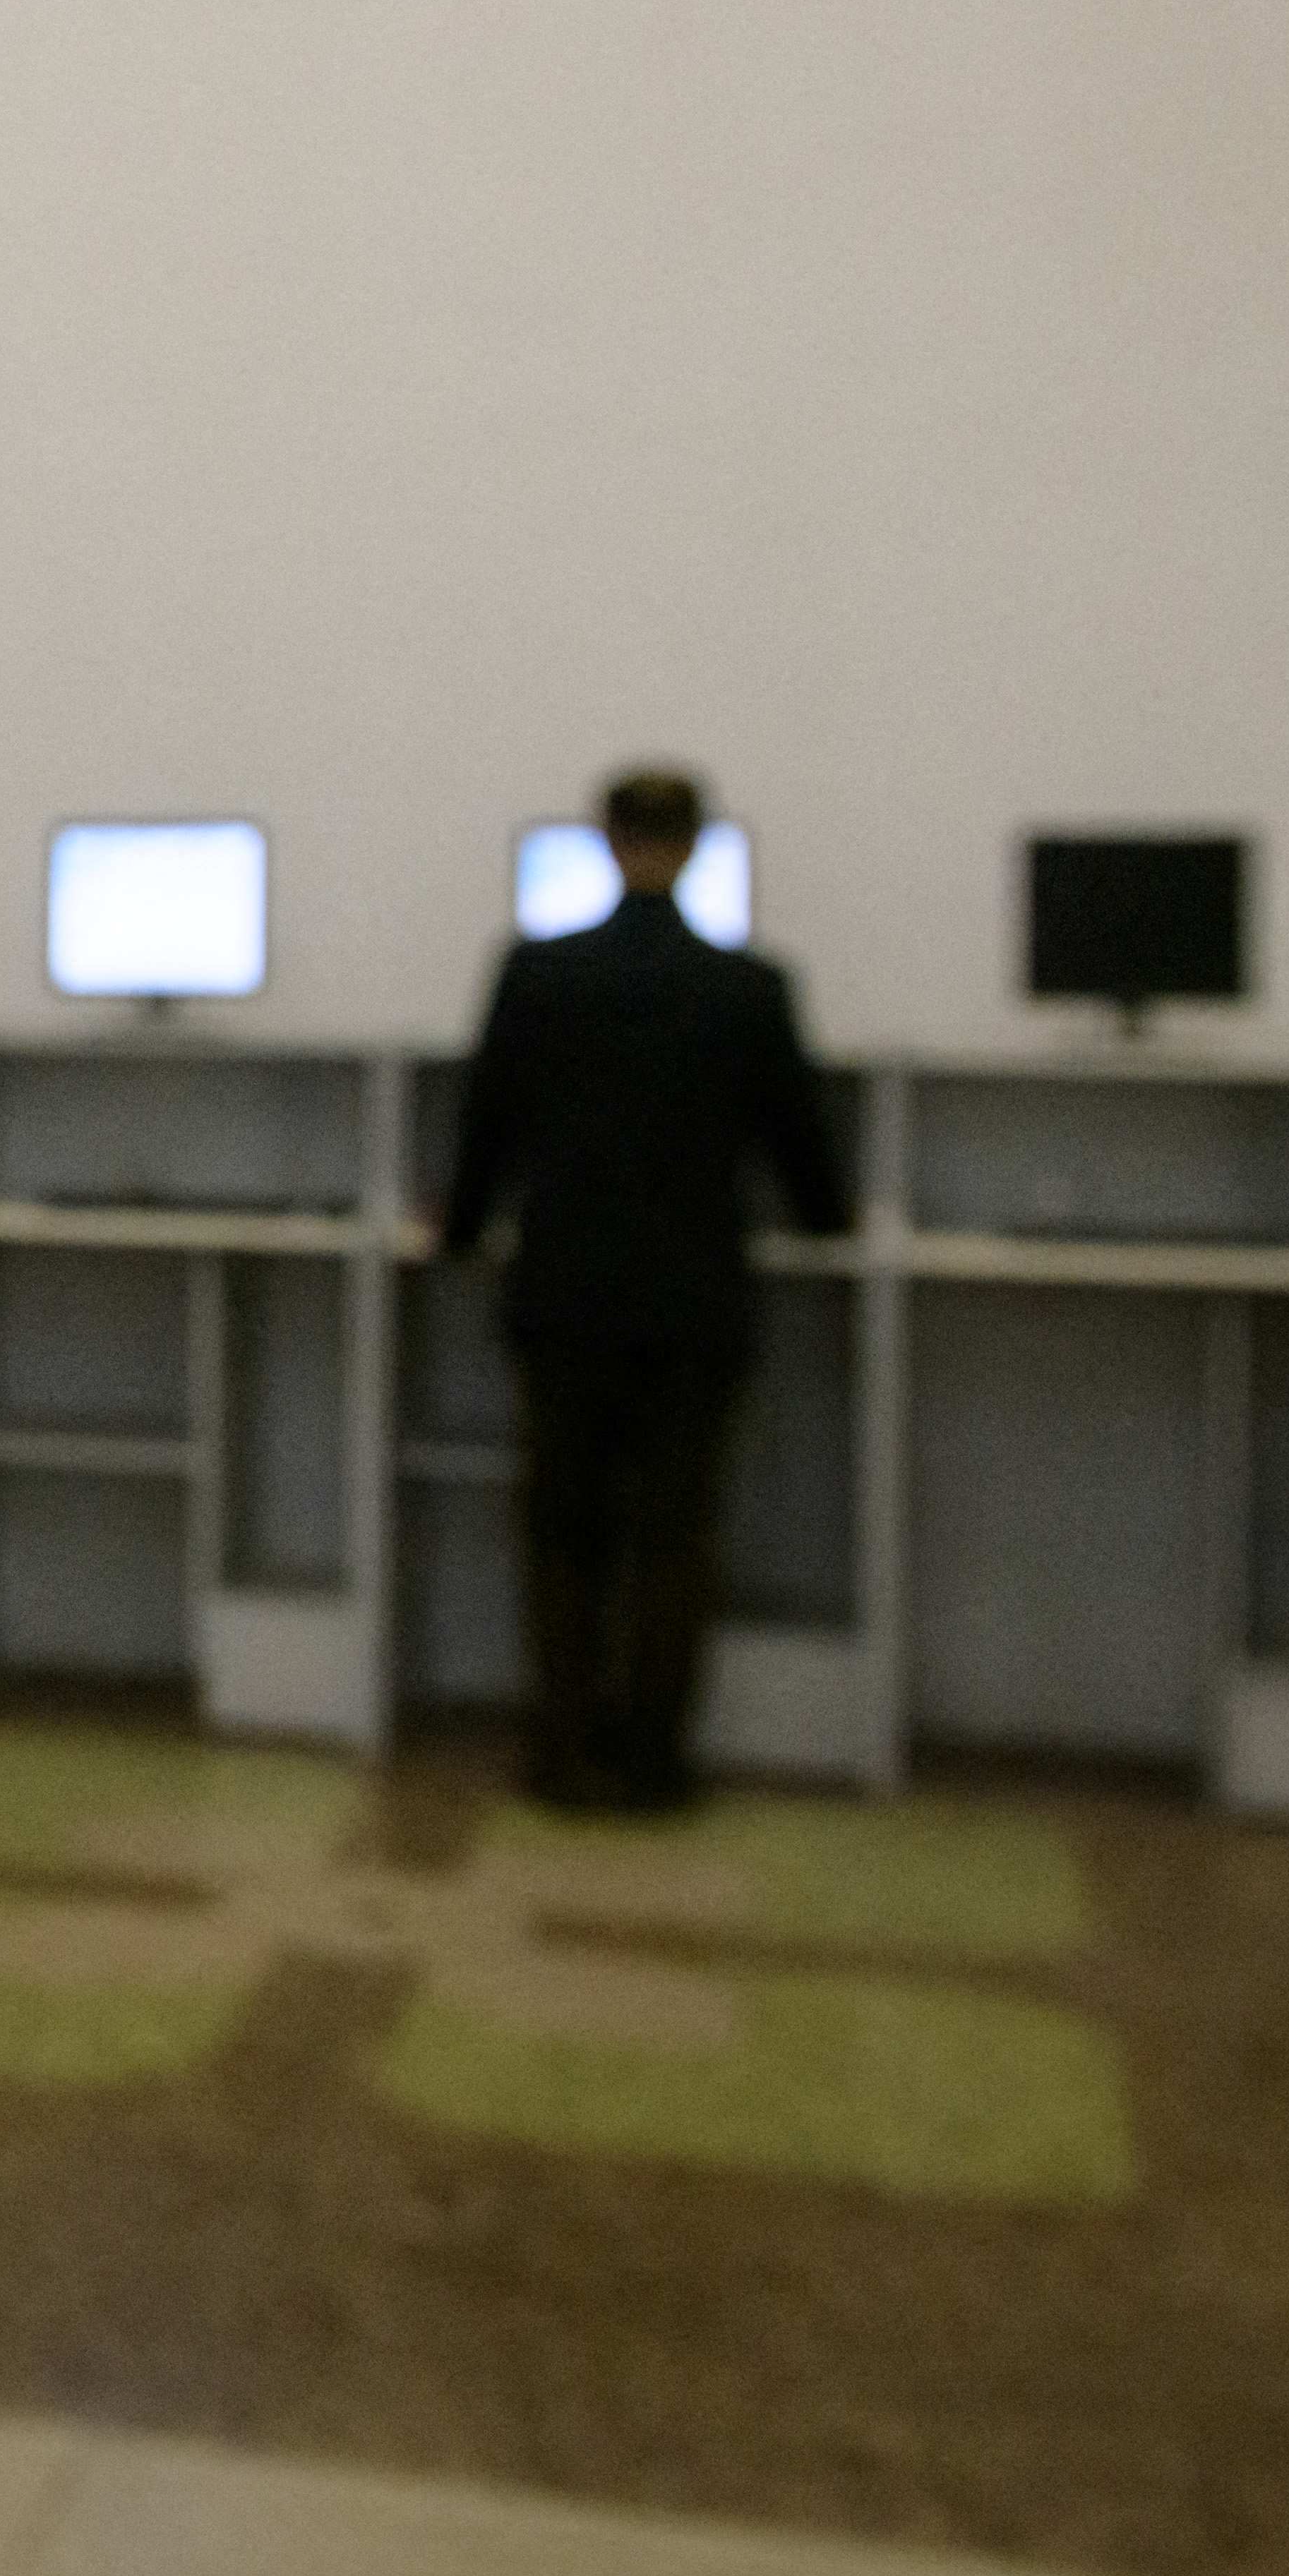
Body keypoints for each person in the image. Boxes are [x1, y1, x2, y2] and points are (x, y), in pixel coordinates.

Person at [433, 764, 851, 1815]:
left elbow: (485, 1132)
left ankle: (560, 1753)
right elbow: (804, 1157)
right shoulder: (750, 989)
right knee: (676, 1537)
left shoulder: (534, 974)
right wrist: (832, 1227)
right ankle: (657, 1762)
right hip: (694, 1306)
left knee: (563, 1532)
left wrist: (455, 1234)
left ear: (602, 838)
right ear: (702, 844)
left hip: (564, 1296)